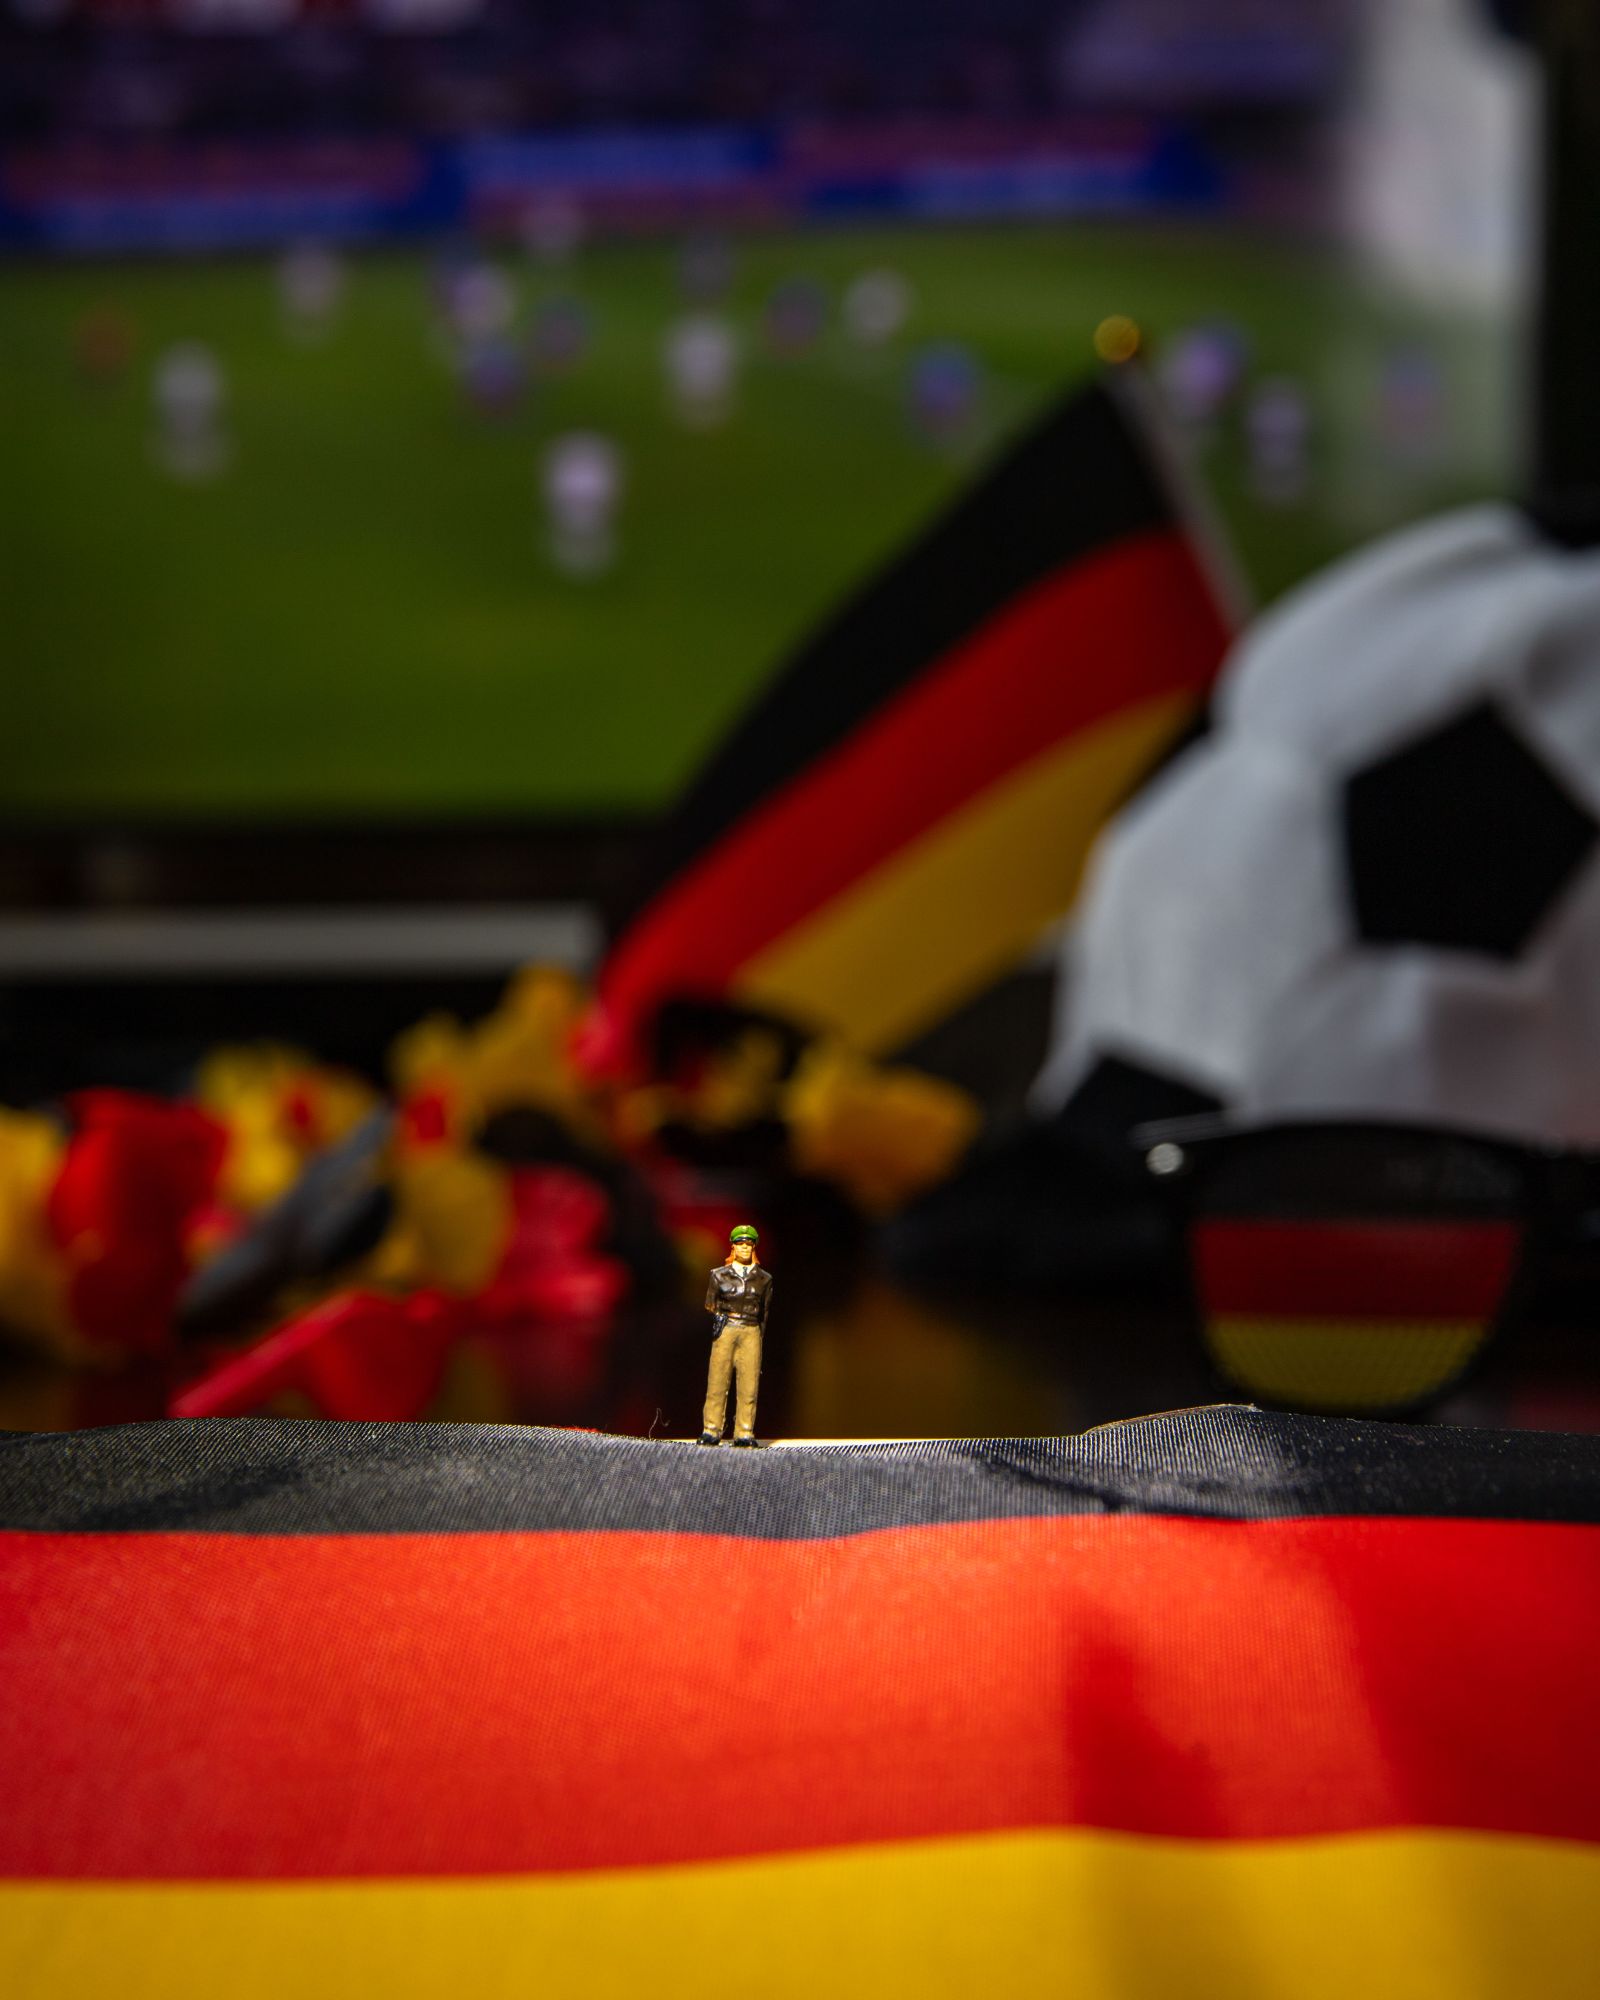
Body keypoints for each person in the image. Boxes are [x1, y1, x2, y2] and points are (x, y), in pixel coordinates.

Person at [699, 1224, 771, 1446]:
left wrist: (758, 1335)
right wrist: (721, 1320)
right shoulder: (719, 1276)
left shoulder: (763, 1279)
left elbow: (764, 1311)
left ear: (754, 1248)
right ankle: (711, 1430)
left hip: (751, 1330)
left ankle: (744, 1432)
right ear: (733, 1247)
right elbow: (710, 1303)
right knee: (717, 1381)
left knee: (749, 1384)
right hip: (727, 1329)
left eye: (749, 1244)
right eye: (740, 1244)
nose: (745, 1248)